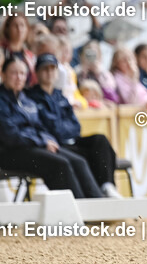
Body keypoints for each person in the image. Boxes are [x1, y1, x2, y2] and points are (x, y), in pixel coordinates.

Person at [0, 57, 103, 199]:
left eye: (22, 73)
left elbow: (41, 127)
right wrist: (42, 142)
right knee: (60, 164)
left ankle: (98, 206)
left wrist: (47, 140)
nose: (19, 77)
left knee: (79, 161)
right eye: (14, 73)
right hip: (9, 152)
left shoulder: (25, 100)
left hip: (32, 147)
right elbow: (9, 135)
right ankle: (79, 212)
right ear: (3, 75)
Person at [26, 53, 123, 198]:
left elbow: (75, 126)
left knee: (100, 140)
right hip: (55, 146)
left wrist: (60, 128)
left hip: (70, 141)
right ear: (38, 72)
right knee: (81, 159)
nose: (49, 73)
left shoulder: (60, 96)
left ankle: (107, 186)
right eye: (45, 69)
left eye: (52, 69)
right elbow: (46, 127)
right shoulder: (31, 97)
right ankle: (95, 195)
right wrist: (61, 128)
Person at [1, 14, 36, 86]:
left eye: (22, 25)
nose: (19, 29)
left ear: (27, 29)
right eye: (15, 25)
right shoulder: (0, 51)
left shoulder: (30, 56)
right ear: (7, 29)